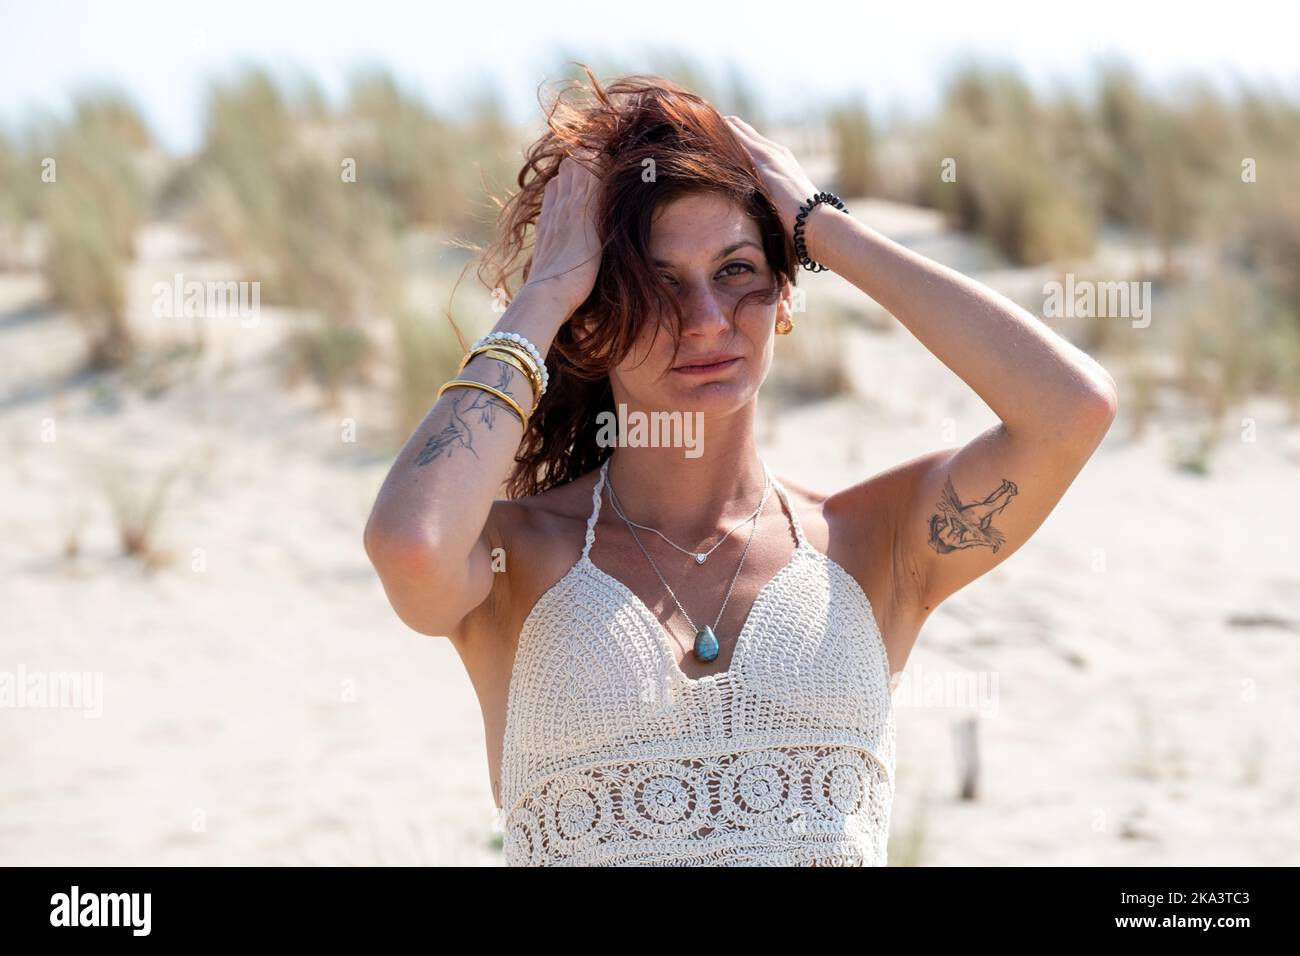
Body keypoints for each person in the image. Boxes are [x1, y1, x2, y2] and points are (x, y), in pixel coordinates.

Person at [362, 68, 1118, 866]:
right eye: (657, 286)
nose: (708, 322)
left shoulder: (870, 544)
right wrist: (548, 292)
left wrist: (824, 230)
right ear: (588, 329)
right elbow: (411, 544)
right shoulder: (521, 558)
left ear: (785, 298)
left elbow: (1072, 410)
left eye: (737, 272)